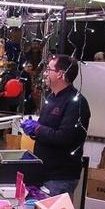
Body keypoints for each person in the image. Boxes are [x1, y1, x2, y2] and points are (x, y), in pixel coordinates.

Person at [20, 54, 90, 197]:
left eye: (49, 69)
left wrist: (37, 128)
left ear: (60, 74)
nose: (45, 73)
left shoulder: (76, 103)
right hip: (44, 171)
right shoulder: (51, 97)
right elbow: (46, 128)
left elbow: (64, 137)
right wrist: (33, 130)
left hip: (60, 177)